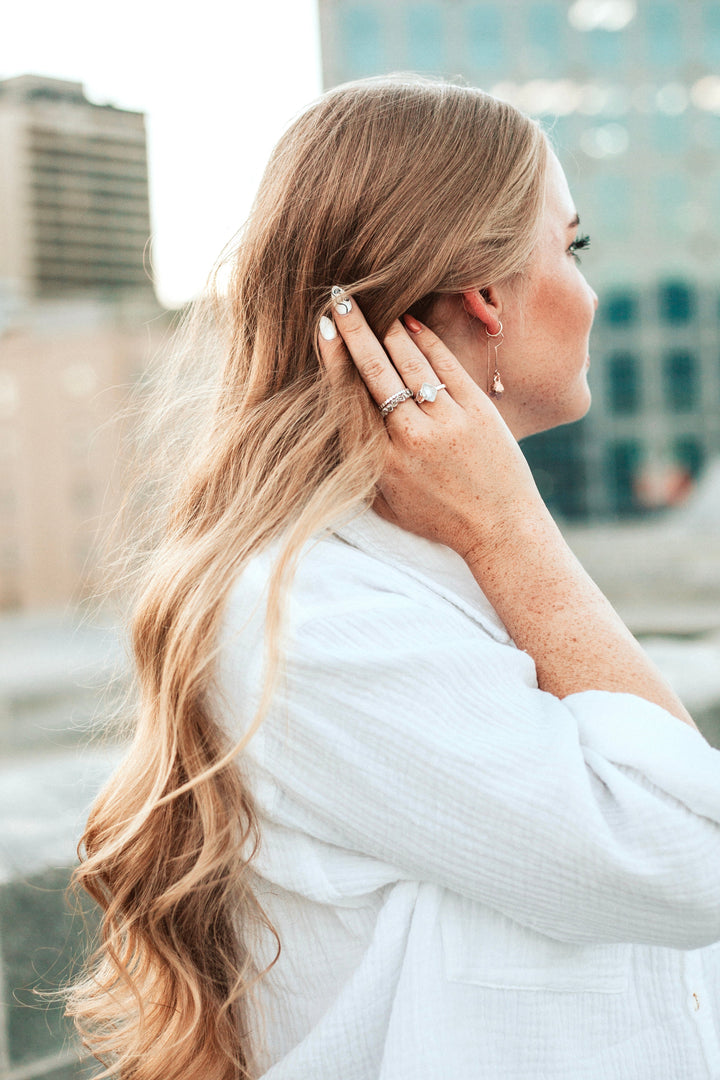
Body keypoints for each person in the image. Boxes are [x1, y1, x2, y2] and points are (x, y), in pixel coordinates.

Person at [66, 75, 720, 1079]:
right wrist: (514, 532)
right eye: (573, 247)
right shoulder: (316, 614)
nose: (590, 289)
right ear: (483, 298)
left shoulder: (416, 565)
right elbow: (693, 859)